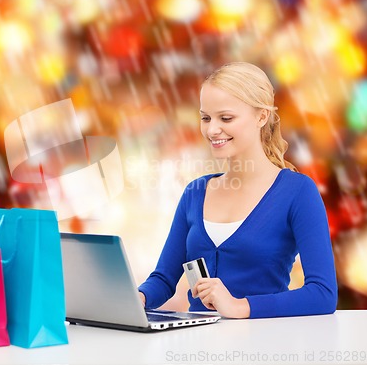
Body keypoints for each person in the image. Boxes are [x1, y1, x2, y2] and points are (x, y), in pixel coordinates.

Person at [138, 62, 337, 319]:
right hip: (197, 349)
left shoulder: (298, 192)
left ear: (261, 116)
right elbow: (164, 279)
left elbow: (322, 294)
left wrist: (240, 306)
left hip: (263, 348)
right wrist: (137, 297)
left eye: (226, 118)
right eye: (206, 118)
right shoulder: (195, 192)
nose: (211, 130)